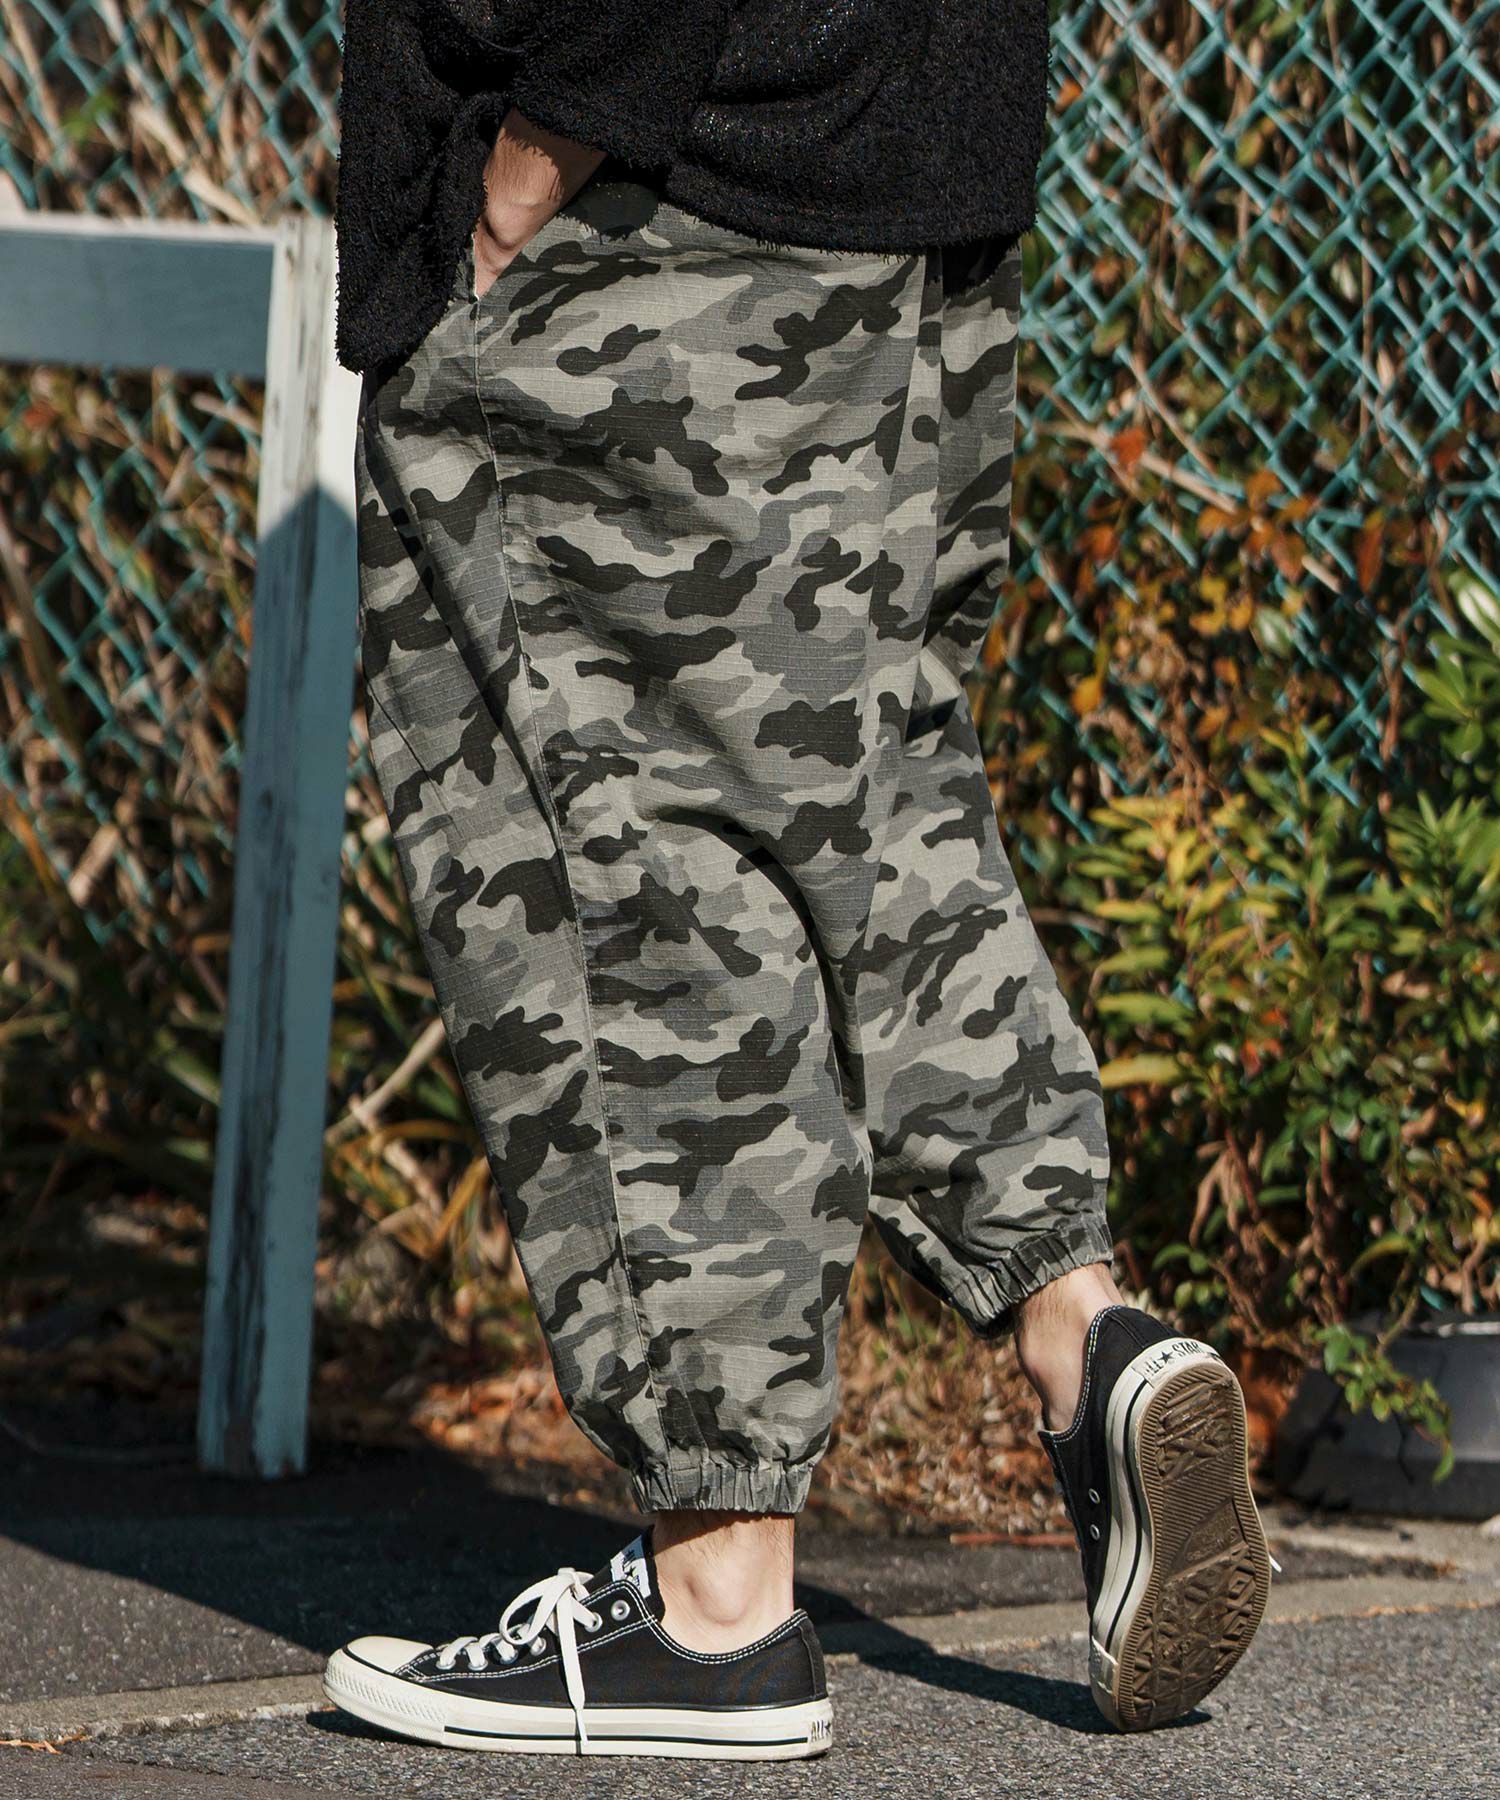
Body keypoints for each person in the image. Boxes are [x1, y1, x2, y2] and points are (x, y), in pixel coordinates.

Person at [323, 0, 1271, 1760]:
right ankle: (1084, 1337)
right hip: (911, 155)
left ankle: (717, 1603)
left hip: (664, 164)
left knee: (633, 853)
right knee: (862, 784)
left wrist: (550, 134)